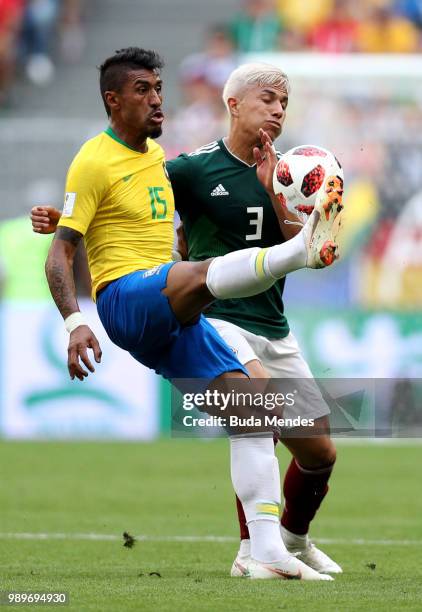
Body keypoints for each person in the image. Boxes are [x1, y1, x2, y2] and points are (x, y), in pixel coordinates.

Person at [33, 47, 343, 581]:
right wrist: (74, 320)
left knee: (256, 408)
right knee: (198, 272)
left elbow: (122, 207)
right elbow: (69, 238)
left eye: (159, 89)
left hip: (192, 318)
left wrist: (275, 196)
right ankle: (303, 251)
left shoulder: (157, 160)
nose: (158, 100)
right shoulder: (114, 158)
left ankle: (265, 553)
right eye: (143, 91)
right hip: (132, 299)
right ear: (113, 100)